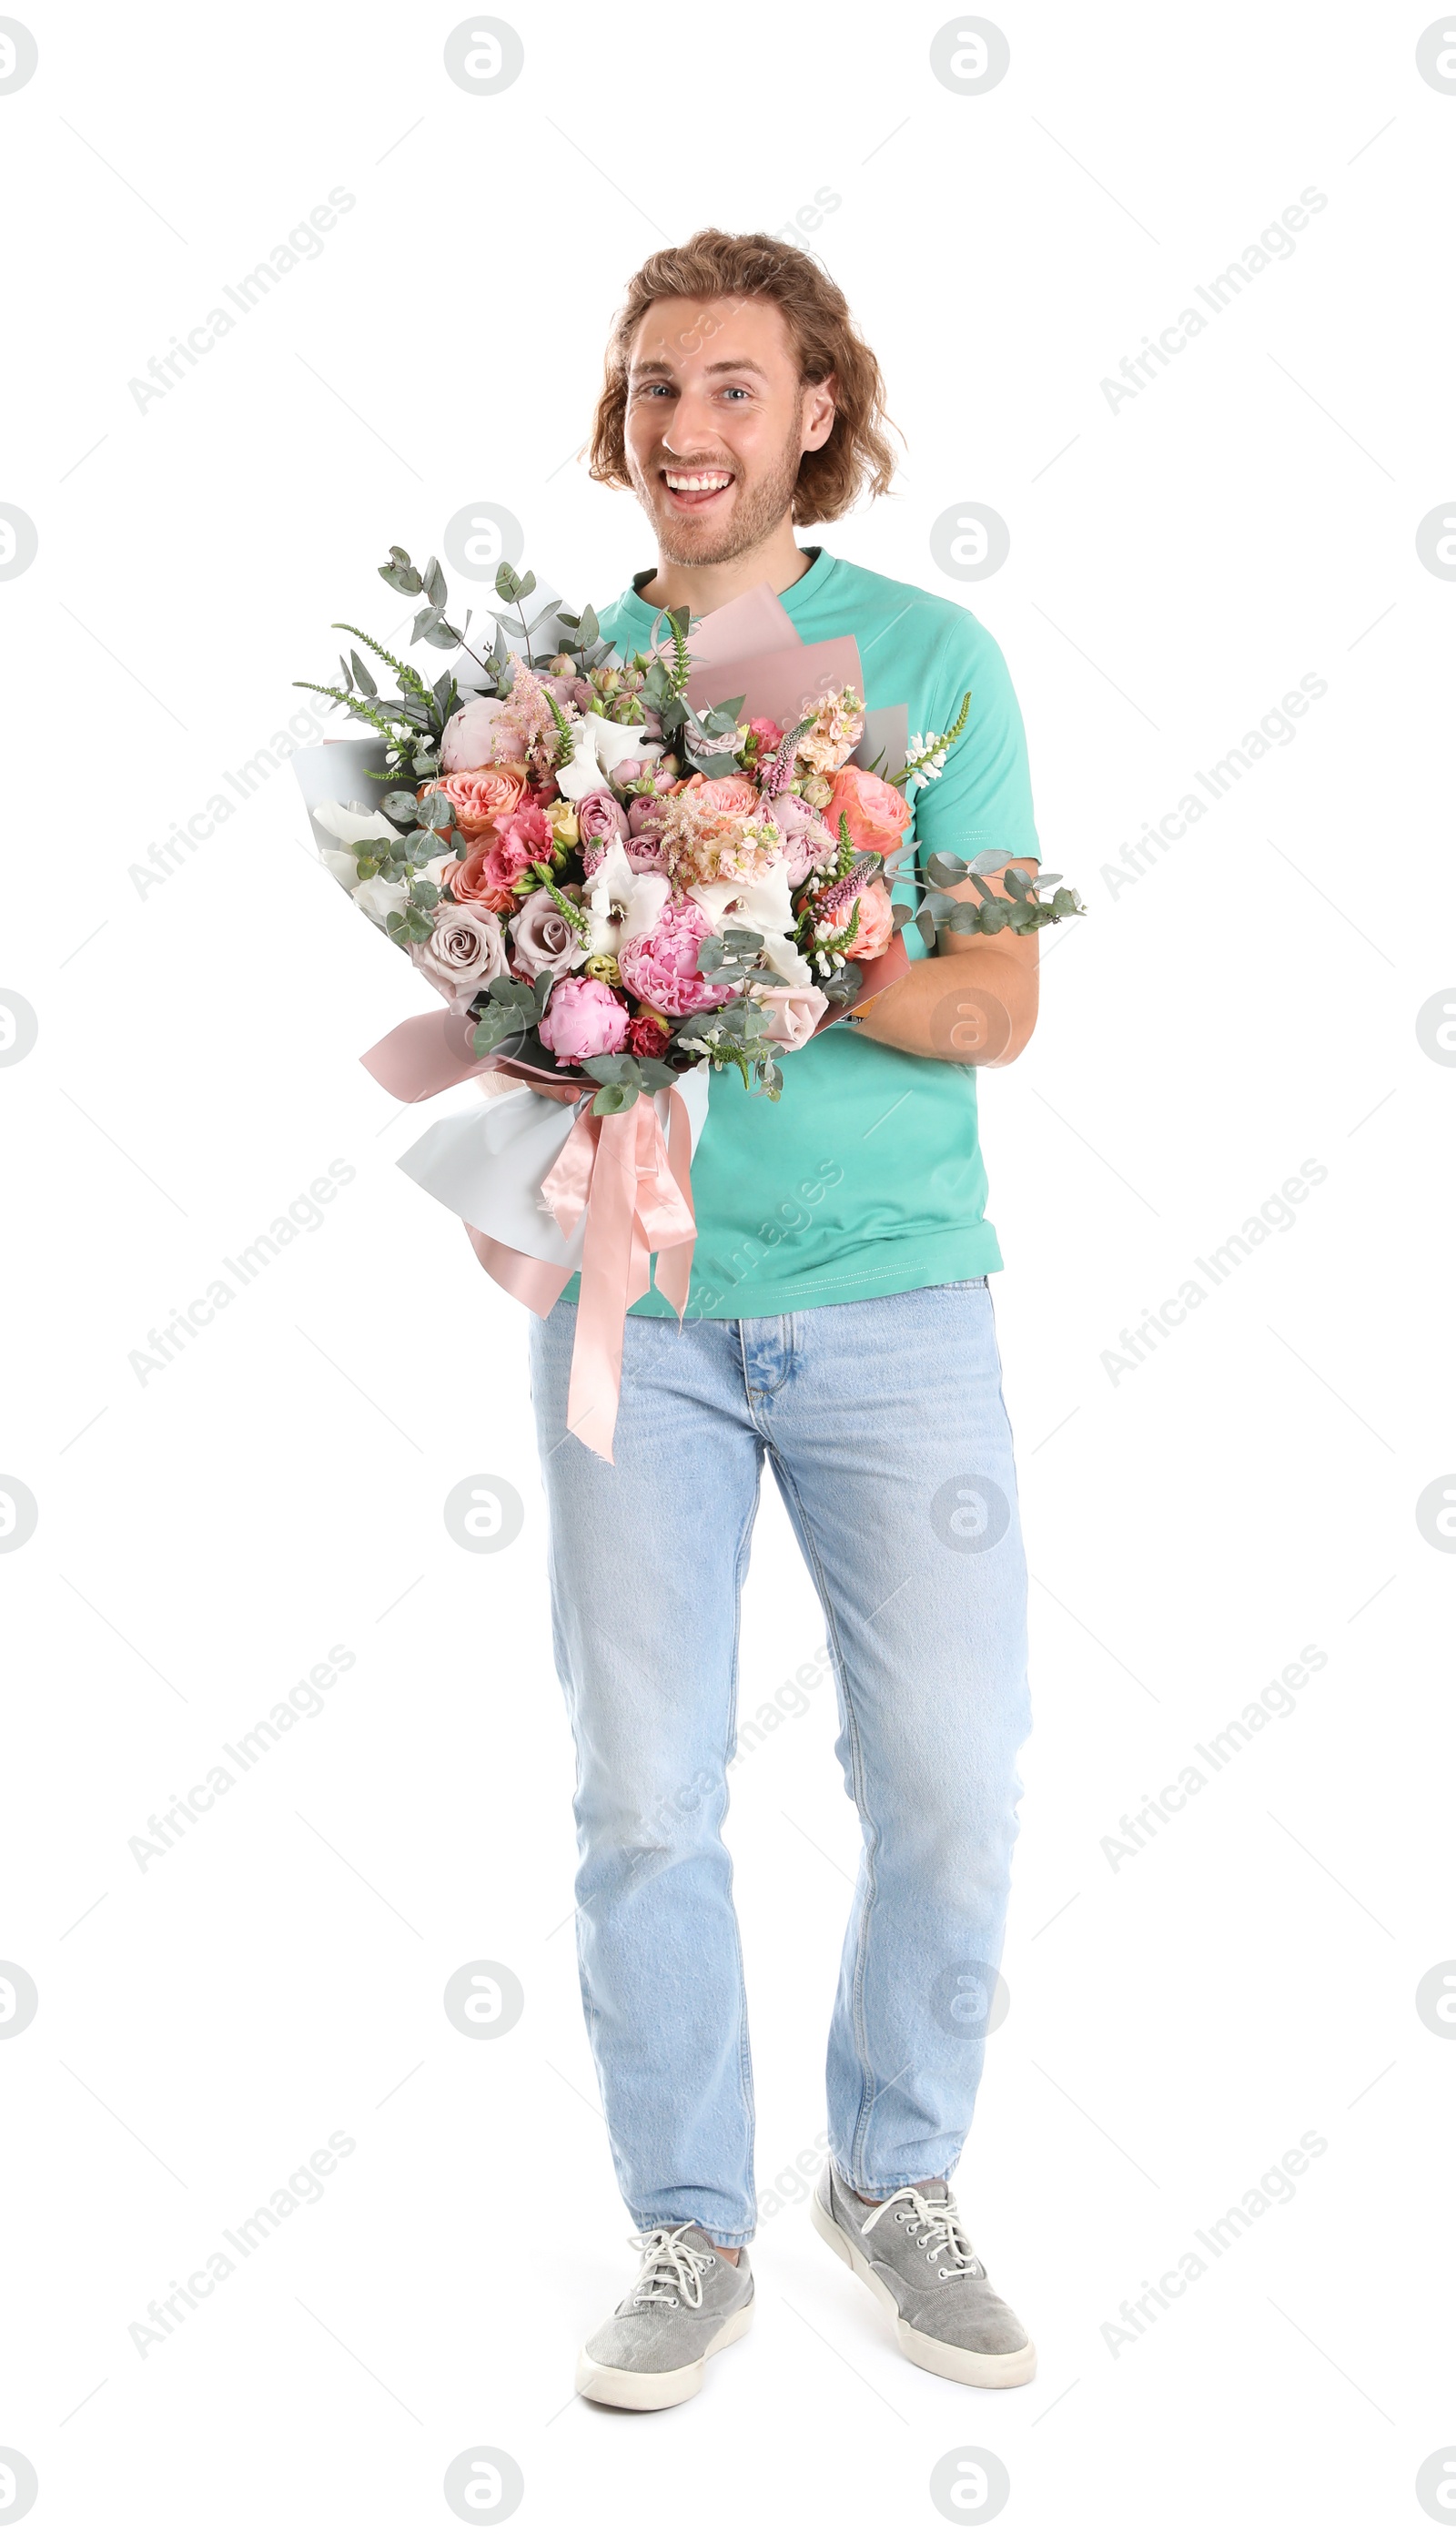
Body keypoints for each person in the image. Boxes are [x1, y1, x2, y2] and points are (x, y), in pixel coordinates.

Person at [530, 230, 1043, 2411]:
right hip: (632, 1309)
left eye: (734, 387)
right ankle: (687, 2220)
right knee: (642, 1789)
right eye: (657, 387)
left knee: (946, 1779)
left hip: (893, 1310)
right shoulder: (555, 687)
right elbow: (518, 1006)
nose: (687, 431)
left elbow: (996, 1001)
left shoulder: (925, 661)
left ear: (815, 410)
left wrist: (784, 941)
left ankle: (890, 2173)